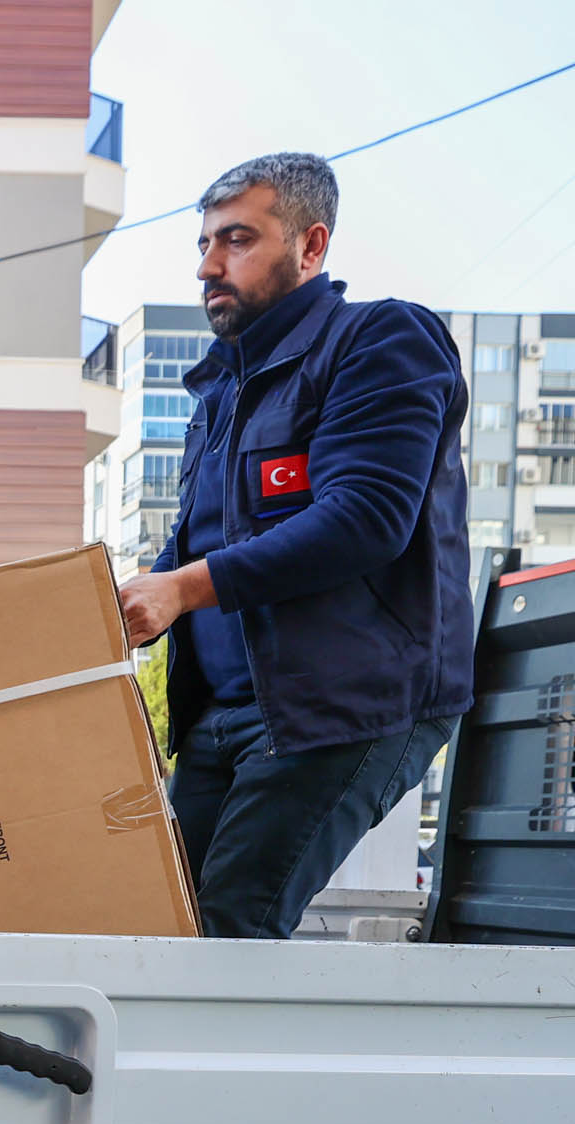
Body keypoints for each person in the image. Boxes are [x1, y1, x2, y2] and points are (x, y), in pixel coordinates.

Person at [114, 152, 472, 938]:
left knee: (224, 929)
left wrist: (183, 588)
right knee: (152, 926)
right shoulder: (220, 392)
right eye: (205, 244)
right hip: (218, 714)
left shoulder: (380, 341)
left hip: (338, 707)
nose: (209, 265)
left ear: (310, 247)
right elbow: (204, 543)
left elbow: (366, 517)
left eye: (236, 240)